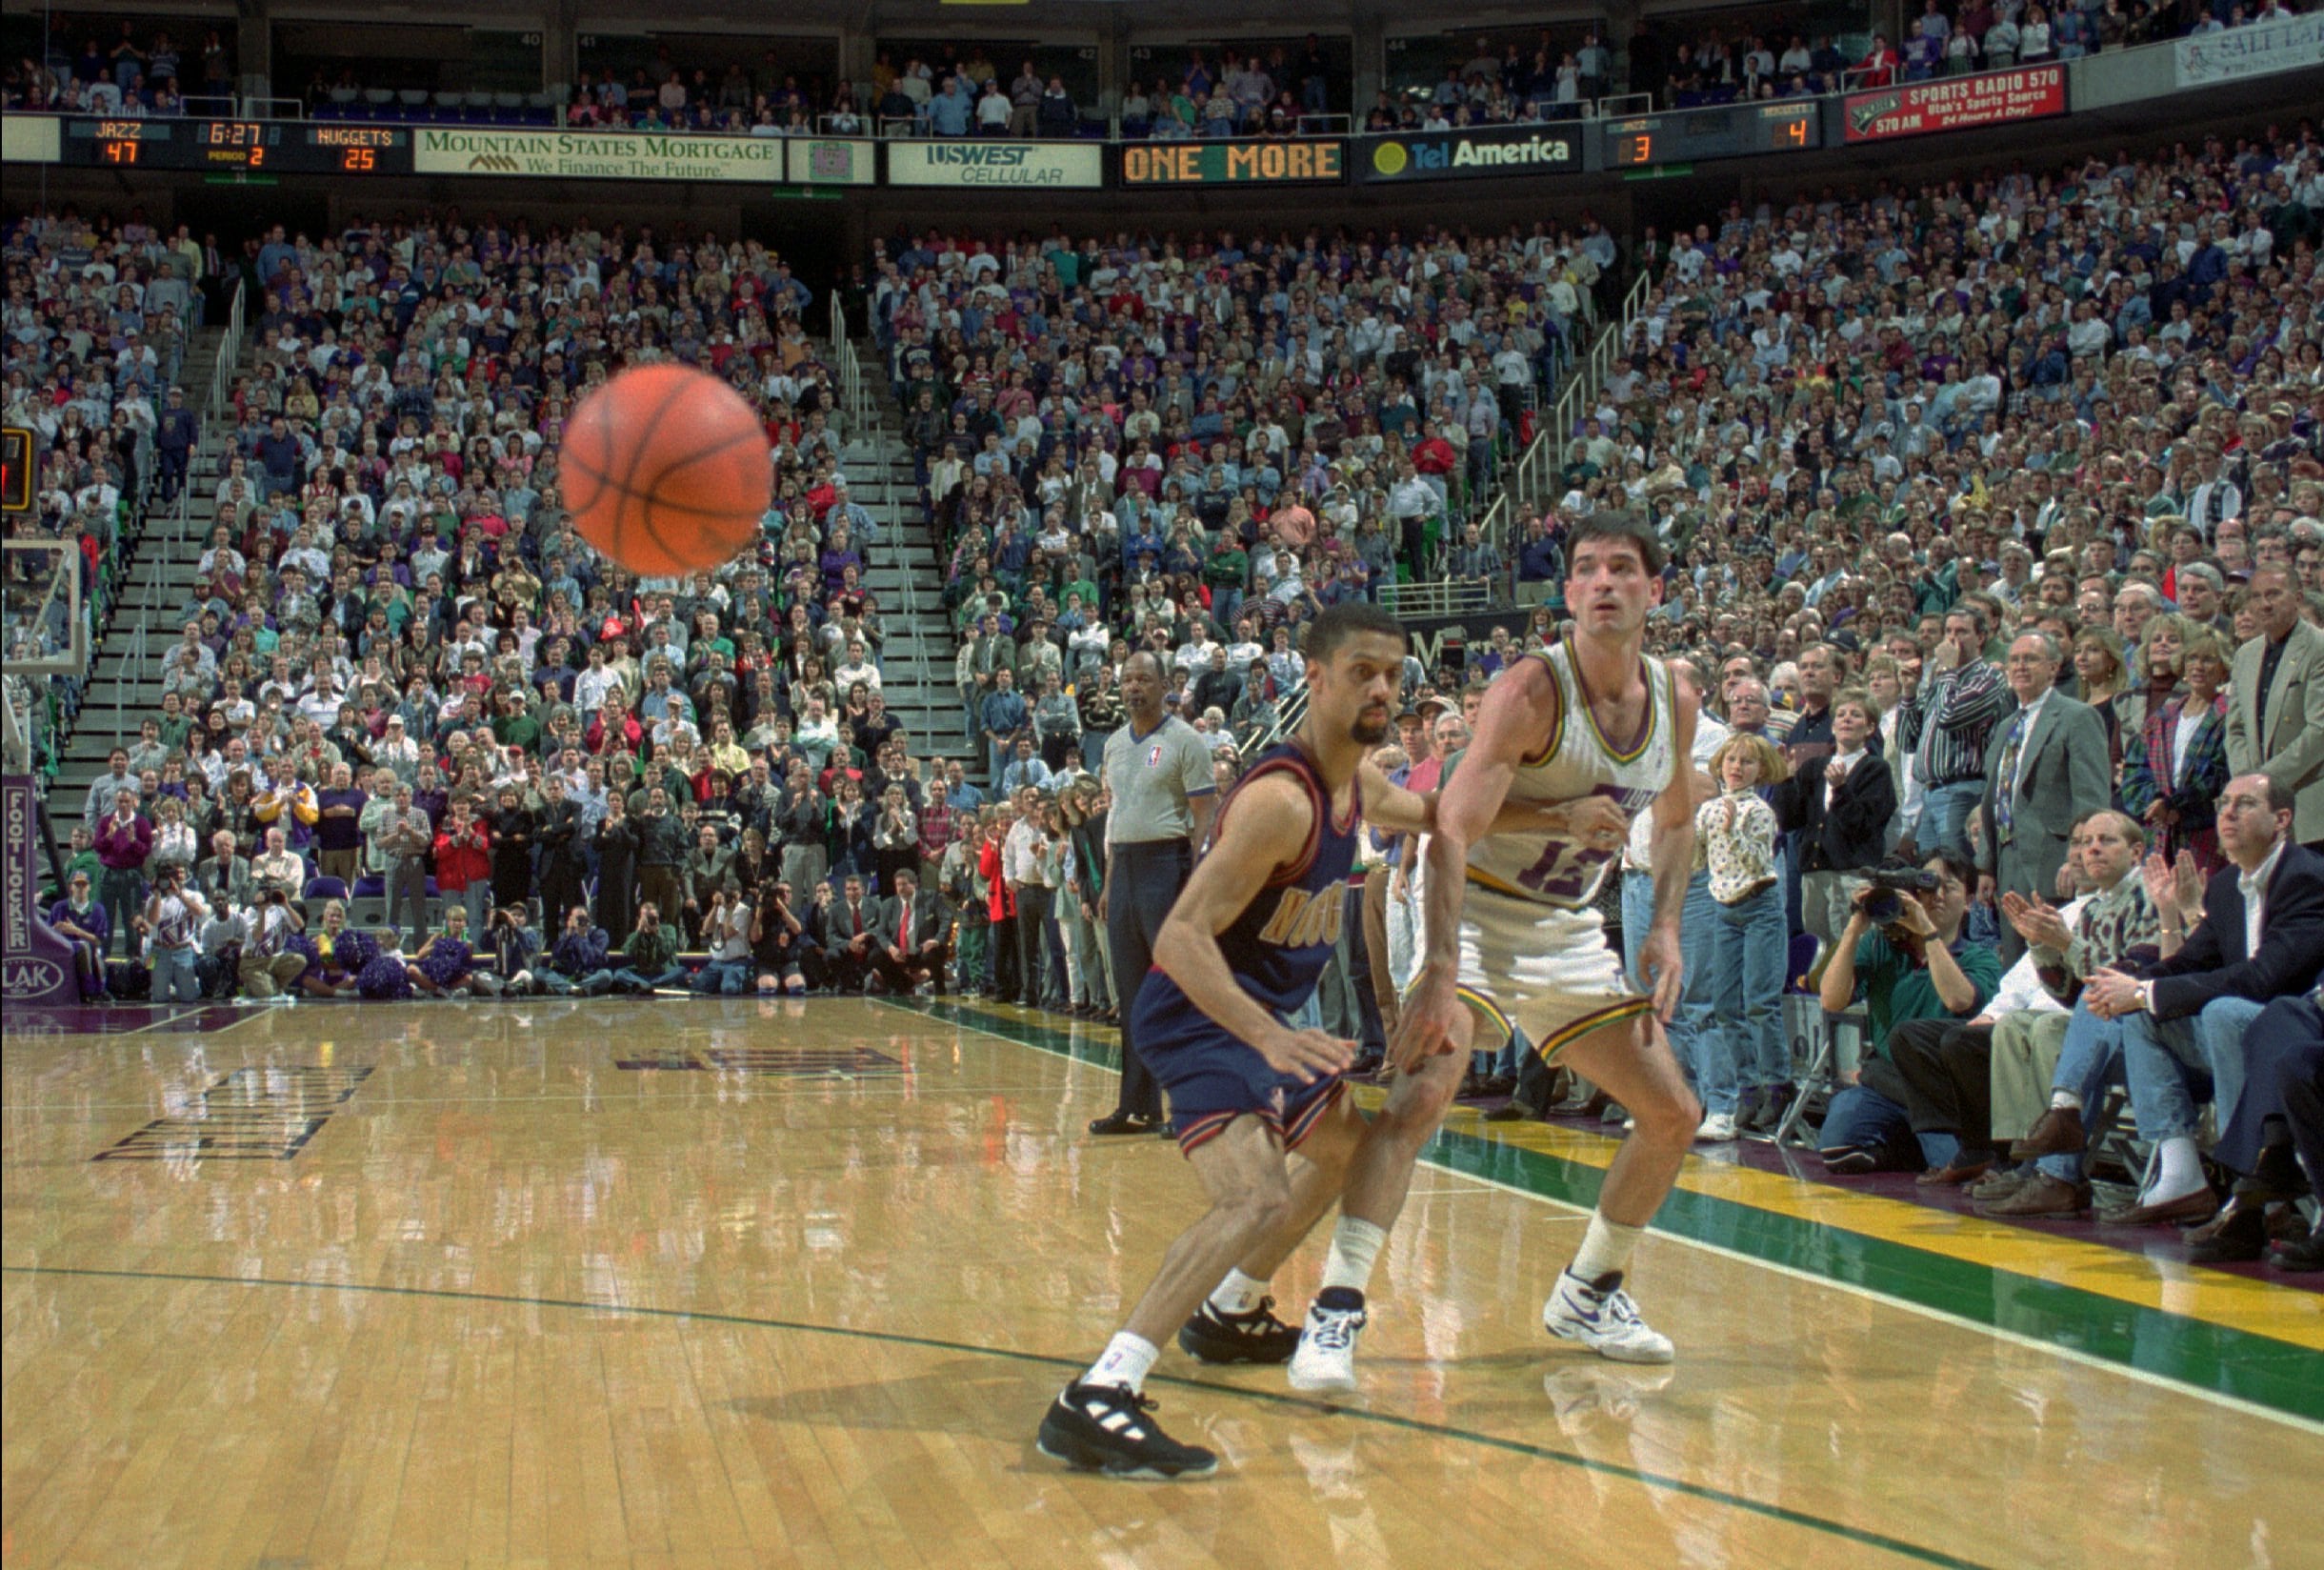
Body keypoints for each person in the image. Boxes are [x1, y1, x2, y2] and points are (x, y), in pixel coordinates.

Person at [1294, 513, 1704, 1390]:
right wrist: (1440, 971)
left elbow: (1674, 821)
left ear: (1653, 591)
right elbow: (1449, 828)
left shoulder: (1677, 694)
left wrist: (1664, 923)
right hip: (1476, 912)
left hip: (1567, 927)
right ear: (1566, 595)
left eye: (1622, 569)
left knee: (1673, 1113)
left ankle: (1590, 1290)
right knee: (1420, 1096)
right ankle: (1335, 1309)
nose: (1603, 583)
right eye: (1586, 570)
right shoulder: (1531, 690)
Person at [1036, 602, 1437, 1479]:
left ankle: (1230, 1309)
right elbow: (1180, 937)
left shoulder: (1357, 787)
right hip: (1198, 1013)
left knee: (1345, 1148)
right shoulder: (1279, 800)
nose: (1381, 689)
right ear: (1316, 680)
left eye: (1393, 676)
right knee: (1253, 1196)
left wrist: (1560, 817)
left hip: (1257, 1020)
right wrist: (1269, 1036)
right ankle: (1100, 1393)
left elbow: (1438, 814)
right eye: (1362, 671)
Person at [1091, 651, 1218, 1135]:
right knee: (1131, 993)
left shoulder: (1187, 741)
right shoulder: (1114, 744)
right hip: (1124, 866)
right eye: (1127, 679)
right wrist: (1107, 883)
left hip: (1168, 865)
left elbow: (1204, 814)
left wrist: (1195, 877)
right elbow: (1118, 814)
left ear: (1164, 684)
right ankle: (1137, 1105)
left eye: (1144, 678)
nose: (1134, 687)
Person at [1976, 634, 2113, 966]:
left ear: (2053, 668)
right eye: (2015, 659)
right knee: (2014, 967)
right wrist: (1986, 865)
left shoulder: (2076, 716)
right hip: (2007, 863)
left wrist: (2079, 856)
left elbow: (2092, 797)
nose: (2020, 666)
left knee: (2055, 965)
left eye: (2030, 659)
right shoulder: (2006, 725)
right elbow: (1994, 798)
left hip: (2055, 863)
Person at [2226, 567, 2324, 854]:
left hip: (2309, 810)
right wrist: (2247, 781)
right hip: (2257, 814)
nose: (2263, 604)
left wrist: (2263, 783)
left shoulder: (2319, 648)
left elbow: (2319, 732)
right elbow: (2236, 728)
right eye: (2256, 597)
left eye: (2273, 594)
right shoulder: (2245, 654)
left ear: (2297, 597)